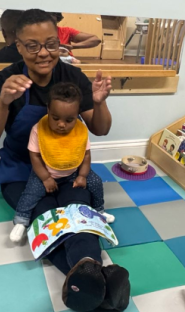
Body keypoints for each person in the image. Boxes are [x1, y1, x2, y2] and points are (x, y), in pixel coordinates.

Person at [0, 8, 129, 312]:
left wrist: (99, 104)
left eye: (51, 43)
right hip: (23, 168)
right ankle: (95, 278)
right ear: (17, 46)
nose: (44, 53)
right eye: (32, 46)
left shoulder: (71, 75)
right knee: (45, 212)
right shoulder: (7, 78)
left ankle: (87, 276)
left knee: (78, 211)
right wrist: (3, 101)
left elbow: (99, 129)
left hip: (68, 166)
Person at [9, 82, 112, 243]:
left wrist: (83, 175)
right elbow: (35, 157)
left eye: (69, 120)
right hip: (46, 172)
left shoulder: (79, 130)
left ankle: (99, 210)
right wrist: (45, 178)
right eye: (55, 118)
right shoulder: (39, 129)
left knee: (96, 182)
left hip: (74, 171)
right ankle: (21, 221)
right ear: (48, 110)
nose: (61, 124)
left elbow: (85, 155)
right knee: (30, 192)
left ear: (77, 114)